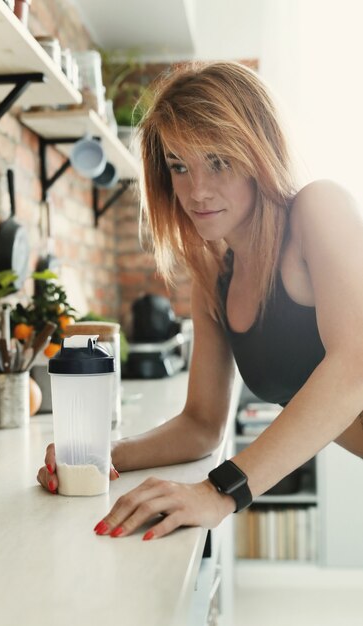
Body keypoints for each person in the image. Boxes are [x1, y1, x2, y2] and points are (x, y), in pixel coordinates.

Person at [37, 61, 363, 540]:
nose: (196, 191)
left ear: (257, 151)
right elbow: (201, 423)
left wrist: (218, 491)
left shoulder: (318, 209)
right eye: (179, 166)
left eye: (217, 160)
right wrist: (103, 453)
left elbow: (355, 366)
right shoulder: (214, 275)